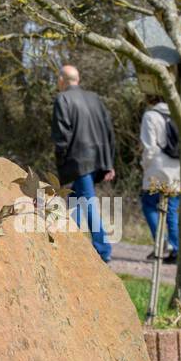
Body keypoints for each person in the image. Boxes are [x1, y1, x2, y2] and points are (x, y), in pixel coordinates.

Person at [50, 65, 115, 263]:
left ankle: (103, 249)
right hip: (98, 159)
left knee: (86, 201)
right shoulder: (94, 98)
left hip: (78, 161)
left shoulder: (63, 99)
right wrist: (109, 163)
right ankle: (73, 245)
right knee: (74, 201)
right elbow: (108, 130)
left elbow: (62, 135)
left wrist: (61, 162)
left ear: (62, 80)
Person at [138, 93, 181, 263]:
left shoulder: (150, 116)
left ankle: (160, 243)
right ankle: (175, 249)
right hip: (175, 168)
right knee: (171, 209)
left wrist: (144, 165)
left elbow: (149, 147)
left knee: (149, 206)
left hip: (156, 167)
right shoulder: (178, 115)